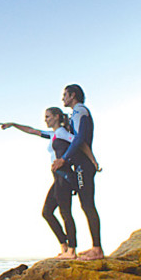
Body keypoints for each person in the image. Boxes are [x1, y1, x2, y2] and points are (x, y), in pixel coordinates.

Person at [0, 108, 79, 259]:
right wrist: (13, 124)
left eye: (48, 116)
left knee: (65, 213)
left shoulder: (61, 132)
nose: (46, 119)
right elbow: (32, 130)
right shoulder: (53, 134)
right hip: (57, 177)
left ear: (56, 117)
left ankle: (72, 250)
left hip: (64, 175)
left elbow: (77, 142)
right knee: (47, 212)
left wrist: (65, 160)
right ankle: (64, 245)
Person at [52, 84, 104, 261]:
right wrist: (93, 159)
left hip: (83, 166)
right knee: (85, 205)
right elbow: (80, 141)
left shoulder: (80, 110)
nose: (63, 99)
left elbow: (80, 139)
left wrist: (64, 159)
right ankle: (95, 247)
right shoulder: (76, 113)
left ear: (73, 95)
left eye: (65, 94)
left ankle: (97, 249)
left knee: (88, 204)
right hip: (82, 164)